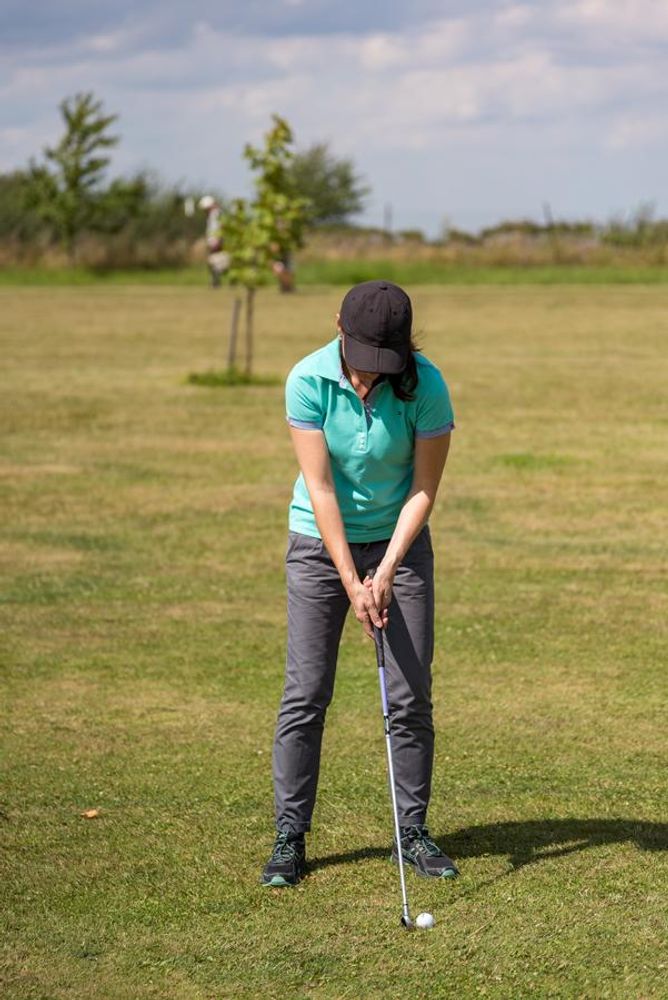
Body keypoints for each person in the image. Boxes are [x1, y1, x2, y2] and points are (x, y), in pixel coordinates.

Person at [261, 279, 459, 888]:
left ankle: (412, 832)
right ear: (338, 328)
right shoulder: (307, 379)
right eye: (363, 358)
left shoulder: (427, 386)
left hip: (400, 541)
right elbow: (321, 489)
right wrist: (353, 583)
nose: (371, 374)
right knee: (306, 693)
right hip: (320, 547)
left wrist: (389, 568)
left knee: (410, 696)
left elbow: (423, 489)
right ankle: (290, 836)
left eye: (384, 361)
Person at [198, 195, 229, 288]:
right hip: (214, 242)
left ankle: (216, 282)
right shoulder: (213, 215)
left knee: (217, 262)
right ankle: (215, 282)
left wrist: (218, 240)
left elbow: (220, 227)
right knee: (214, 262)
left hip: (217, 242)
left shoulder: (216, 214)